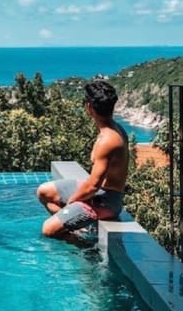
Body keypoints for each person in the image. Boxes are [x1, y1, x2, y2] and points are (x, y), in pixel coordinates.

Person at [37, 79, 128, 240]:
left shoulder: (108, 140)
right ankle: (75, 226)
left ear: (89, 107)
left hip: (106, 200)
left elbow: (93, 186)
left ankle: (85, 247)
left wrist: (72, 201)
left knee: (48, 230)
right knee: (44, 192)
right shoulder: (112, 129)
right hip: (98, 191)